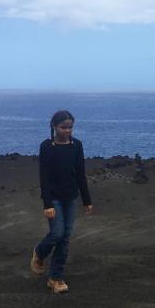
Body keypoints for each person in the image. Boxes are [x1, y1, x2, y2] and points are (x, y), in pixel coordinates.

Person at [30, 110, 94, 293]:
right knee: (57, 233)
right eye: (63, 127)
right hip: (54, 198)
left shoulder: (77, 145)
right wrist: (47, 204)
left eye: (70, 127)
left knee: (65, 237)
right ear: (54, 126)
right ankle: (40, 252)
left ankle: (56, 278)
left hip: (70, 196)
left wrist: (87, 200)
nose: (67, 131)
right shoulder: (47, 146)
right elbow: (44, 177)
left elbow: (81, 174)